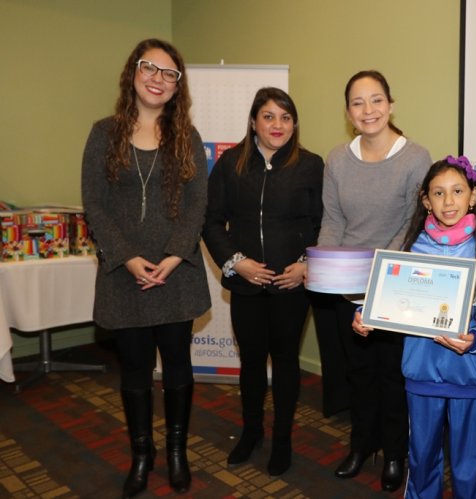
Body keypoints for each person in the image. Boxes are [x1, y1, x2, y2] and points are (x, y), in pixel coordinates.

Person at [81, 39, 211, 498]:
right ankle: (142, 454)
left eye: (169, 73)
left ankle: (176, 452)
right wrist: (129, 258)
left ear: (178, 86)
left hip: (178, 273)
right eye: (149, 68)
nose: (158, 78)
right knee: (134, 368)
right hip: (124, 273)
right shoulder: (103, 132)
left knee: (178, 365)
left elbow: (198, 204)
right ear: (132, 73)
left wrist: (175, 256)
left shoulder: (187, 136)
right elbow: (94, 203)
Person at [353, 156, 476, 498]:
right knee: (422, 457)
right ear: (426, 201)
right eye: (438, 193)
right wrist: (366, 316)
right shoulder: (413, 247)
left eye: (457, 191)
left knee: (468, 464)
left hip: (468, 372)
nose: (448, 201)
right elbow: (391, 301)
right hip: (421, 371)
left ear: (473, 196)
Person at [314, 70, 431, 491]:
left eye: (376, 100)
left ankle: (395, 454)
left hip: (395, 288)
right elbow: (333, 221)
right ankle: (361, 444)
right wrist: (328, 270)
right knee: (358, 375)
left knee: (392, 377)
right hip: (347, 288)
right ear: (348, 112)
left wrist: (379, 280)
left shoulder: (416, 157)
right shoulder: (337, 159)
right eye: (358, 103)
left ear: (391, 104)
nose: (368, 110)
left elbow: (412, 224)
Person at [202, 87, 324, 476]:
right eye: (269, 116)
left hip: (291, 285)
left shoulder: (310, 165)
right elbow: (211, 221)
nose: (277, 125)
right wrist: (237, 263)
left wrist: (307, 264)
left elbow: (325, 223)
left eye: (286, 117)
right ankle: (251, 432)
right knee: (252, 361)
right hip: (246, 285)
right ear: (254, 120)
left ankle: (283, 439)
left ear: (295, 124)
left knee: (286, 361)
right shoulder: (231, 163)